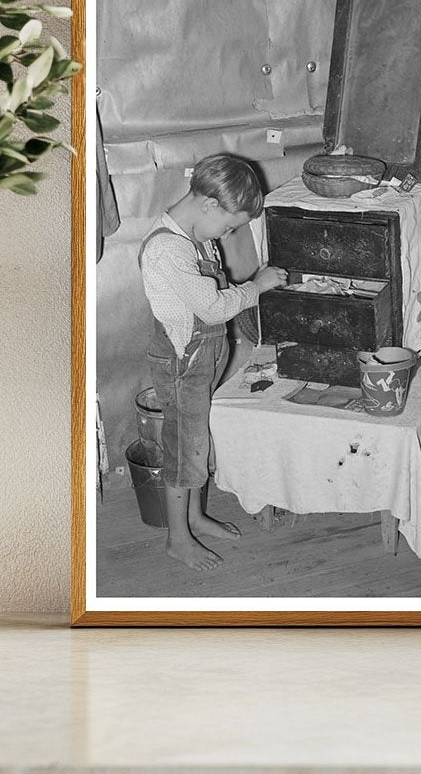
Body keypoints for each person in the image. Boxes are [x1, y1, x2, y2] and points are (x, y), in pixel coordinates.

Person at [138, 154, 287, 571]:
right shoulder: (168, 249)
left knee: (196, 441)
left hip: (204, 359)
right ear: (208, 204)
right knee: (184, 450)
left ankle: (195, 517)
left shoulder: (194, 235)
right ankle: (177, 538)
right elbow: (212, 306)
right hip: (183, 364)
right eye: (229, 226)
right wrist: (257, 287)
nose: (228, 233)